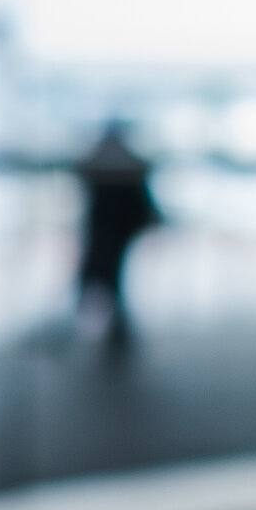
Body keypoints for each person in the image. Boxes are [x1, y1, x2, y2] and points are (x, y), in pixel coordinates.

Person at [73, 119, 158, 351]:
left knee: (103, 273)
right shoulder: (125, 161)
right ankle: (114, 327)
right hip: (115, 230)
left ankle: (114, 327)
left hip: (110, 229)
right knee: (107, 274)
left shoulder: (104, 159)